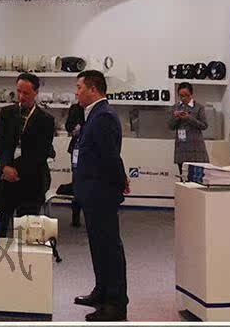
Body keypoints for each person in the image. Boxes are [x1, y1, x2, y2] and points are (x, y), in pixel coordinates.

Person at [73, 70, 128, 322]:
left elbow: (109, 156)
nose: (76, 92)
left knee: (109, 247)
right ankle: (102, 291)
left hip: (101, 192)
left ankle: (116, 303)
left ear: (93, 89)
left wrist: (119, 183)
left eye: (79, 87)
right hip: (93, 191)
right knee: (98, 245)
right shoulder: (94, 114)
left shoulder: (103, 116)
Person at [0, 72, 55, 239]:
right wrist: (5, 167)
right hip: (5, 179)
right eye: (18, 91)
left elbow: (41, 153)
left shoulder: (46, 120)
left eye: (26, 93)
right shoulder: (7, 113)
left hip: (31, 180)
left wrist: (16, 171)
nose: (21, 96)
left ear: (36, 92)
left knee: (27, 234)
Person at [168, 82, 209, 175]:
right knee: (183, 175)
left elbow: (204, 125)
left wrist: (189, 118)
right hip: (181, 147)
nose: (183, 98)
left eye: (186, 95)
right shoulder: (175, 107)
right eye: (181, 96)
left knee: (197, 176)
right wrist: (177, 117)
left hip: (196, 147)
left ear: (191, 94)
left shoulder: (199, 107)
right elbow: (171, 126)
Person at [65, 102, 85, 227]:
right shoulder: (75, 108)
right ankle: (75, 216)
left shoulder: (96, 109)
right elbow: (68, 126)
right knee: (76, 180)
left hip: (92, 149)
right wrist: (75, 128)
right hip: (76, 148)